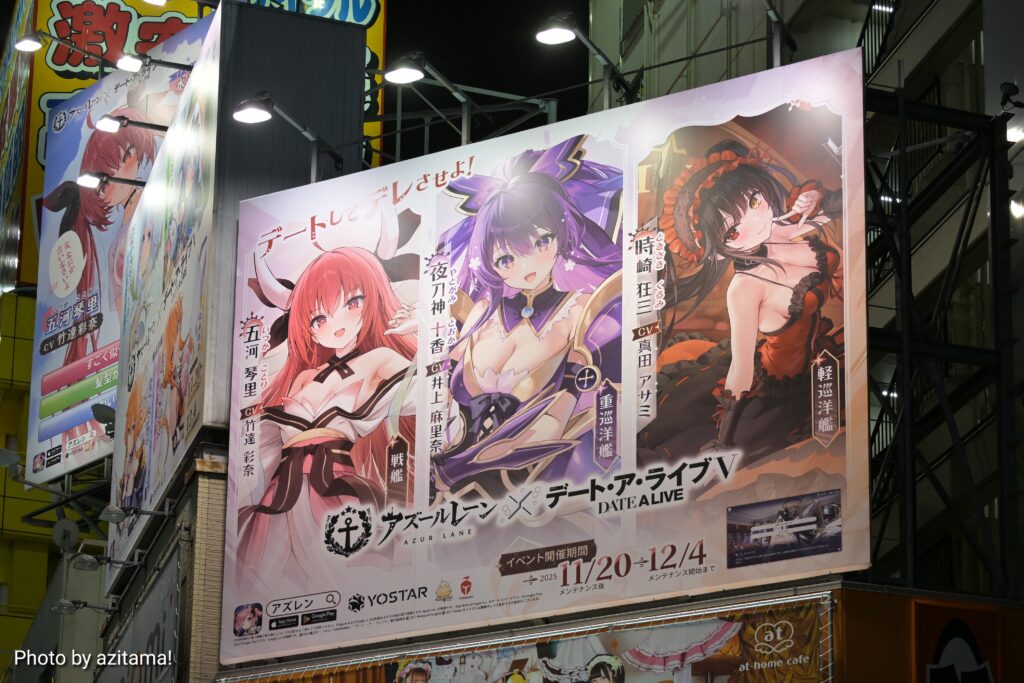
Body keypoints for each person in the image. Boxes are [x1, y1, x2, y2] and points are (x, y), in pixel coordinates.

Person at [434, 135, 623, 497]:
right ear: (489, 261)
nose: (527, 264)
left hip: (536, 479)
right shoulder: (481, 315)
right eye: (507, 258)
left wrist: (501, 453)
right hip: (451, 484)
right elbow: (442, 394)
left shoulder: (579, 309)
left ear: (561, 234)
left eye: (541, 243)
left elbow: (565, 409)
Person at [643, 139, 842, 462]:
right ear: (717, 248)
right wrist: (724, 443)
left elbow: (837, 207)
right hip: (777, 389)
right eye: (732, 231)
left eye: (754, 201)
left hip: (820, 358)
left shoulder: (777, 231)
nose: (755, 220)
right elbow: (741, 368)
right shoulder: (744, 288)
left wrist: (817, 199)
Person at [237, 247, 417, 589]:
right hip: (281, 491)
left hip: (334, 486)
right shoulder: (304, 377)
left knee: (346, 580)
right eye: (319, 318)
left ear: (372, 298)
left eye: (352, 303)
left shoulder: (380, 359)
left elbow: (429, 394)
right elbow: (264, 442)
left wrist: (423, 330)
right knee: (258, 586)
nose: (336, 324)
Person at [43, 106, 157, 363]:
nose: (126, 167)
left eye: (127, 154)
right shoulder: (118, 249)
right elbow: (128, 324)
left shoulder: (153, 203)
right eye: (105, 179)